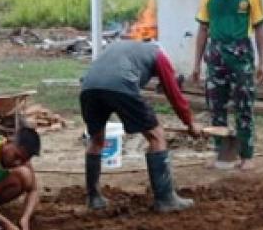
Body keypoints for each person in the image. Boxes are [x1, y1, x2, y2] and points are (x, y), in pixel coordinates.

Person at [81, 40, 199, 212]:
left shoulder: (122, 48)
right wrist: (190, 123)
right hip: (120, 85)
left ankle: (94, 198)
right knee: (156, 136)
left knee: (96, 139)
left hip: (88, 87)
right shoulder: (158, 55)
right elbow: (173, 93)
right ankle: (166, 199)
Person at [191, 0, 263, 171]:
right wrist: (196, 64)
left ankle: (247, 155)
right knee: (216, 107)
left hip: (241, 55)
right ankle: (223, 155)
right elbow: (203, 30)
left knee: (244, 106)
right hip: (215, 56)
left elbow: (260, 29)